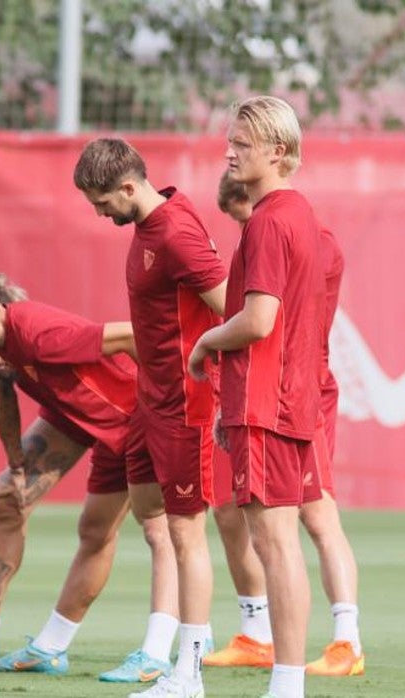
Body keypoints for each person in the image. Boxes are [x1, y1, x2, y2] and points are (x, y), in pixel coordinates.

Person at [0, 253, 179, 685]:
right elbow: (3, 398)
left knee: (160, 530)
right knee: (87, 529)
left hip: (141, 418)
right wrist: (15, 466)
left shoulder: (39, 333)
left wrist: (169, 406)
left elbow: (137, 336)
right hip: (85, 423)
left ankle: (160, 650)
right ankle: (42, 645)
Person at [73, 137, 228, 698]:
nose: (99, 213)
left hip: (185, 404)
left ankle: (187, 672)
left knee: (187, 533)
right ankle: (180, 635)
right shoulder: (151, 221)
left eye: (102, 202)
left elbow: (234, 307)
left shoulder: (178, 235)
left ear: (130, 187)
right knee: (150, 517)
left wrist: (209, 368)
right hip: (150, 399)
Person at [187, 95, 324, 698]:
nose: (229, 152)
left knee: (274, 543)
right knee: (278, 540)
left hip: (266, 403)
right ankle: (287, 679)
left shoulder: (269, 219)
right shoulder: (300, 215)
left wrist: (205, 344)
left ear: (278, 151)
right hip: (284, 397)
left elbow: (259, 319)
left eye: (241, 144)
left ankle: (287, 683)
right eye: (230, 141)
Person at [206, 174, 365, 677]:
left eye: (239, 214)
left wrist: (210, 344)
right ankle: (266, 636)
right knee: (256, 517)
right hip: (291, 384)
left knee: (313, 518)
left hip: (293, 388)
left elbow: (266, 320)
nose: (241, 225)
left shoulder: (289, 233)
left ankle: (345, 641)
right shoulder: (299, 230)